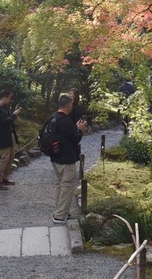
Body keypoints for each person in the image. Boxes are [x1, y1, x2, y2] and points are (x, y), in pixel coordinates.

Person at [50, 90, 87, 223]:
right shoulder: (65, 121)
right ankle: (59, 215)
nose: (73, 106)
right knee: (66, 185)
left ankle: (61, 211)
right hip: (66, 158)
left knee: (60, 184)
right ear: (68, 105)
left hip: (56, 156)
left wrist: (76, 128)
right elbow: (75, 138)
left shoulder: (54, 117)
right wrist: (80, 130)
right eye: (71, 103)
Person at [0, 89, 22, 190]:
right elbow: (4, 122)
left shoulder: (5, 107)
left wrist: (14, 113)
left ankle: (4, 178)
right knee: (5, 157)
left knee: (11, 156)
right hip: (2, 135)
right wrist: (14, 114)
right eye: (9, 98)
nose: (10, 100)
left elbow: (9, 120)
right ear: (4, 97)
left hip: (10, 133)